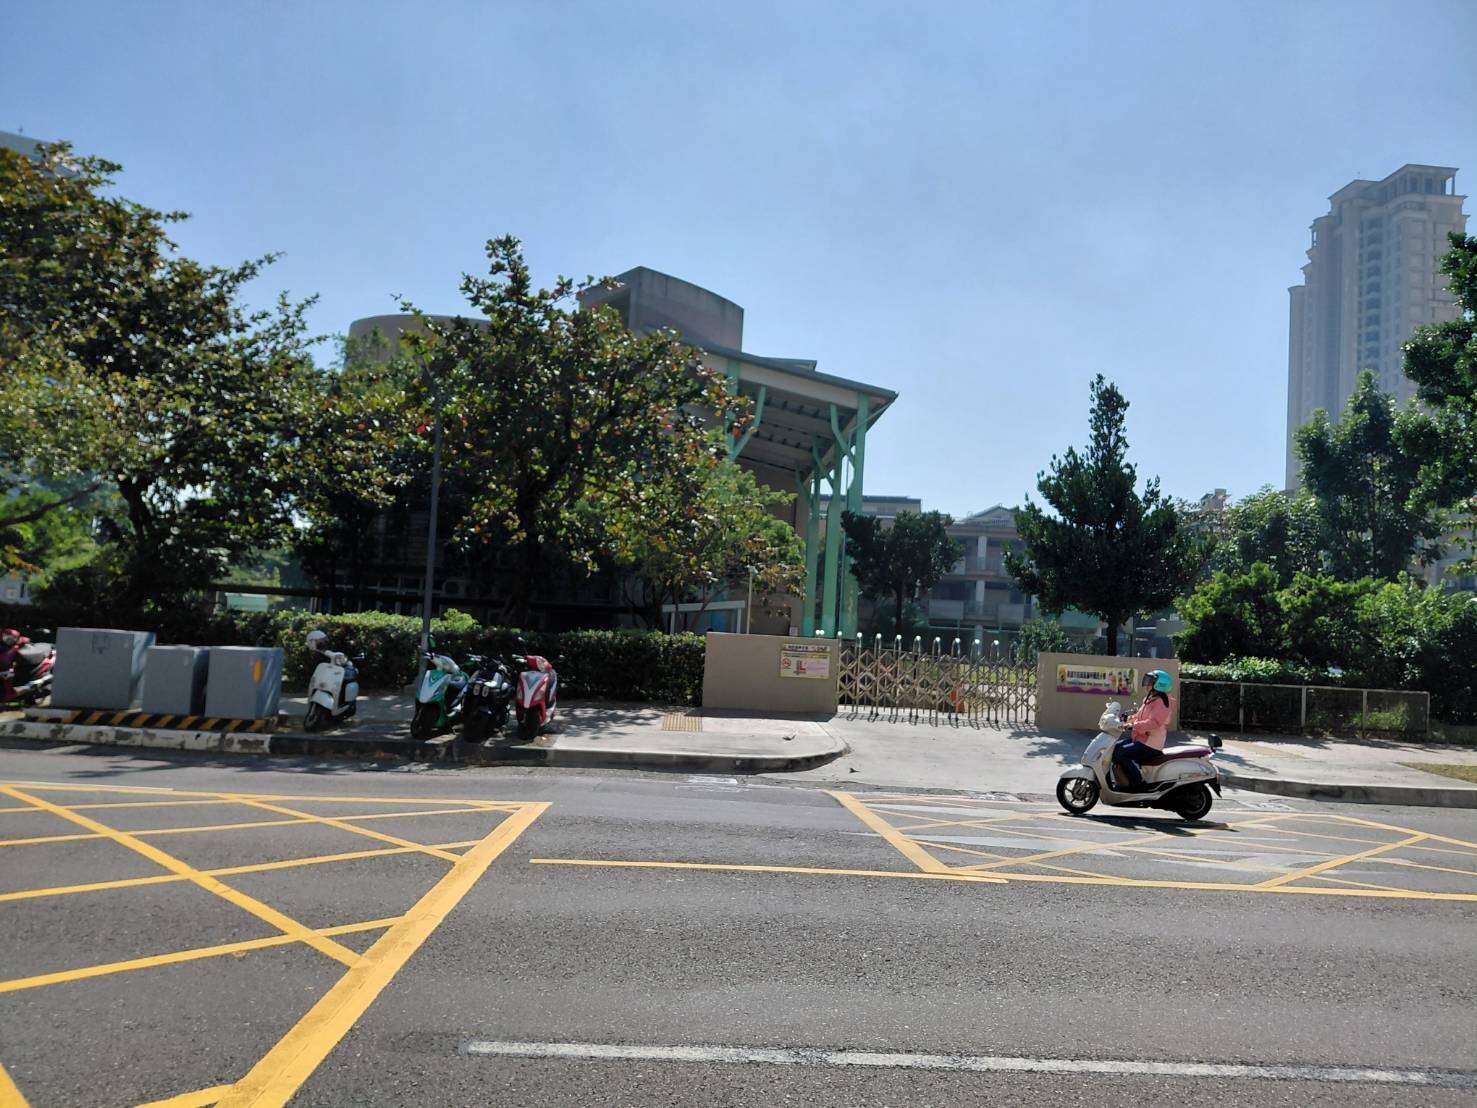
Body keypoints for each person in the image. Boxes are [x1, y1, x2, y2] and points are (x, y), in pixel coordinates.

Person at [1111, 669, 1175, 791]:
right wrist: (1127, 720)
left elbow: (1154, 722)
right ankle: (1124, 782)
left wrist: (1133, 726)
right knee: (1114, 748)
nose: (1147, 683)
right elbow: (1139, 716)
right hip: (1141, 739)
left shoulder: (1162, 702)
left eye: (1151, 681)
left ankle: (1138, 783)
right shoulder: (1150, 699)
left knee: (1121, 753)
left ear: (1159, 684)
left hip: (1151, 744)